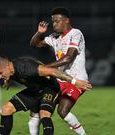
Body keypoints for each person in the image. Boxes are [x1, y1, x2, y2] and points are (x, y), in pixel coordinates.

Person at [0, 55, 92, 135]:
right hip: (34, 90)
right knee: (6, 109)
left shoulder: (26, 67)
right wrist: (8, 80)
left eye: (0, 73)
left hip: (50, 88)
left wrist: (74, 81)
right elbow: (13, 74)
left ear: (7, 65)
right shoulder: (10, 70)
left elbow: (53, 71)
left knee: (44, 114)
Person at [29, 7, 89, 135]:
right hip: (60, 79)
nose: (54, 24)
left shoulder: (76, 34)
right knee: (40, 108)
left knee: (62, 111)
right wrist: (39, 33)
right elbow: (35, 44)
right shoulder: (55, 37)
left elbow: (68, 58)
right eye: (53, 21)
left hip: (76, 80)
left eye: (57, 21)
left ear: (66, 20)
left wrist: (46, 68)